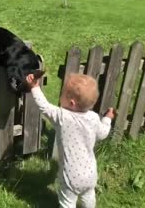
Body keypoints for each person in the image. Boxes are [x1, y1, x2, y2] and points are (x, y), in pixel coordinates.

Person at [25, 73, 116, 208]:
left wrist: (35, 86)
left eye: (62, 94)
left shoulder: (63, 117)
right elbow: (102, 133)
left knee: (67, 202)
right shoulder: (93, 117)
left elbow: (44, 106)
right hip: (90, 173)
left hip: (70, 176)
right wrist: (108, 118)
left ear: (71, 102)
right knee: (89, 198)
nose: (60, 96)